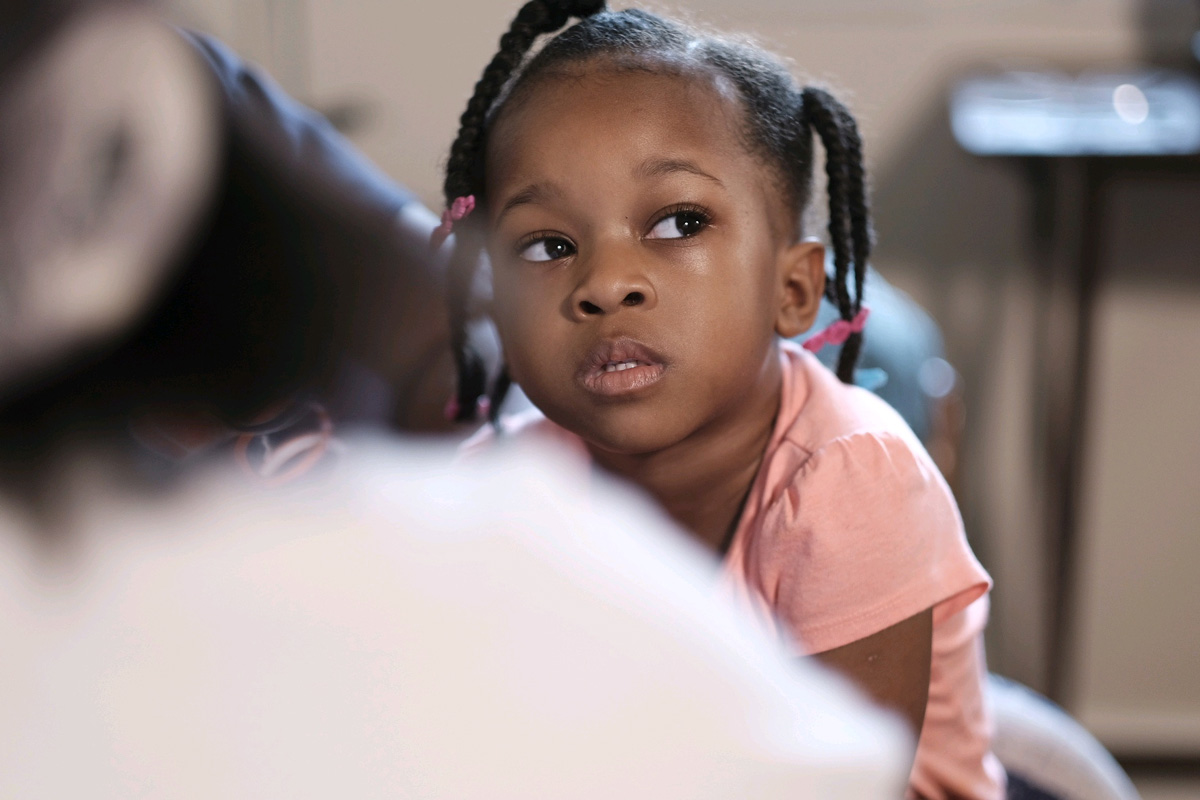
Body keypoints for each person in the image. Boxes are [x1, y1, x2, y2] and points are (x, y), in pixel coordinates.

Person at [437, 3, 1004, 798]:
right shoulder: (505, 482)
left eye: (679, 222)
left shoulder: (849, 483)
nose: (606, 283)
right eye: (548, 245)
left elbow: (843, 785)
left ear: (793, 289)